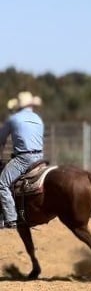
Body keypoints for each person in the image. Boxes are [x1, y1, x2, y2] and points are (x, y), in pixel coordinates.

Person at [0, 91, 45, 229]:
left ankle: (11, 219)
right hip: (40, 157)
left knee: (2, 184)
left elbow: (1, 140)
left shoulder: (13, 119)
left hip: (24, 158)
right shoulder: (38, 118)